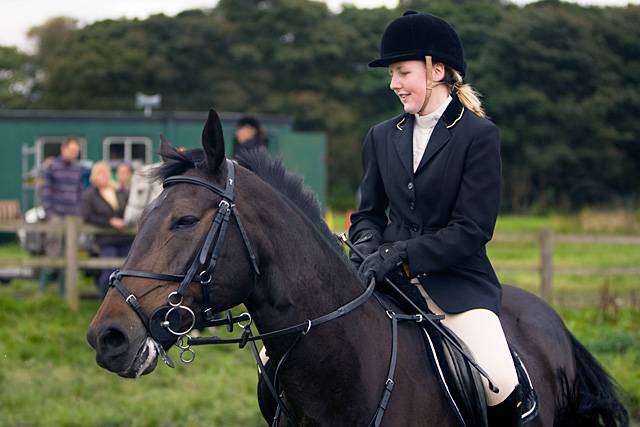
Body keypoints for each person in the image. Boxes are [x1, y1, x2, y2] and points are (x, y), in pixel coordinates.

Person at [348, 11, 522, 426]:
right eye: (392, 73)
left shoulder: (478, 136)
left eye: (402, 72)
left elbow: (472, 229)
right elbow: (367, 213)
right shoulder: (380, 135)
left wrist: (403, 253)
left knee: (498, 380)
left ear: (435, 70)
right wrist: (369, 244)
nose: (394, 84)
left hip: (457, 284)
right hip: (384, 282)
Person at [81, 161, 133, 297]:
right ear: (94, 176)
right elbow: (86, 216)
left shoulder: (118, 191)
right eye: (101, 173)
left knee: (128, 273)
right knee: (109, 273)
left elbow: (128, 209)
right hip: (106, 240)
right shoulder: (89, 194)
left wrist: (125, 221)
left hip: (126, 237)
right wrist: (109, 222)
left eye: (106, 173)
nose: (104, 176)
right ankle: (105, 301)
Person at [39, 137, 84, 293]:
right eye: (72, 151)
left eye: (76, 152)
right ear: (63, 149)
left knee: (70, 253)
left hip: (73, 216)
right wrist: (49, 213)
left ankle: (64, 291)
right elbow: (46, 191)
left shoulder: (78, 168)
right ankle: (43, 291)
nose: (74, 154)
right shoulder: (52, 167)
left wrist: (79, 212)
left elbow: (79, 192)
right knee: (53, 252)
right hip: (56, 215)